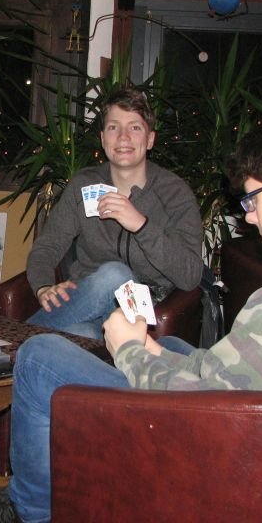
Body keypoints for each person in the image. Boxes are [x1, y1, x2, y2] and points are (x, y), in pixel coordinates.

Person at [0, 105, 262, 522]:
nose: (250, 219)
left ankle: (29, 513)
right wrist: (151, 350)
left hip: (231, 465)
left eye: (253, 200)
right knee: (165, 344)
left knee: (39, 356)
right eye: (112, 127)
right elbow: (235, 375)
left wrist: (129, 350)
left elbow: (209, 401)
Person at [25, 87, 203, 339]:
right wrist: (43, 287)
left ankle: (16, 338)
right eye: (113, 127)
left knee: (116, 274)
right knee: (76, 335)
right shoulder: (84, 185)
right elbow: (47, 246)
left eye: (135, 128)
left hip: (143, 308)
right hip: (89, 304)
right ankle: (24, 341)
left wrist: (141, 225)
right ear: (102, 138)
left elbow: (191, 275)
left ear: (150, 140)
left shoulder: (174, 192)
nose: (123, 137)